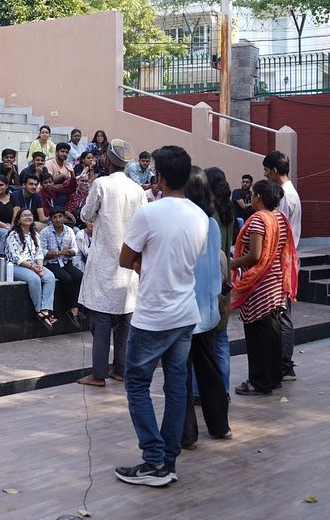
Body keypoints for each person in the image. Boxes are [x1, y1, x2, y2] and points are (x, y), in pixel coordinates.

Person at [115, 145, 208, 488]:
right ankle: (167, 461)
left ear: (162, 177)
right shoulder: (201, 217)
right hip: (185, 314)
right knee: (176, 388)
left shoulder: (149, 213)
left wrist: (146, 267)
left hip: (153, 316)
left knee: (136, 384)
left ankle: (154, 460)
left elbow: (126, 259)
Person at [77, 139, 147, 388]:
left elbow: (85, 215)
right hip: (130, 262)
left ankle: (98, 373)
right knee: (126, 317)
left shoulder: (101, 184)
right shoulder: (138, 190)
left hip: (105, 260)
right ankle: (120, 369)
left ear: (107, 158)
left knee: (102, 318)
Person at [229, 179, 298, 397]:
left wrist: (230, 263)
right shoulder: (279, 217)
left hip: (260, 285)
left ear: (257, 197)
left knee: (258, 335)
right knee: (272, 332)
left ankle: (259, 382)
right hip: (276, 281)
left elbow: (255, 256)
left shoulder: (259, 220)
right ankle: (274, 377)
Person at [180, 167, 231, 449]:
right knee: (208, 370)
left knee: (182, 373)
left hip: (186, 309)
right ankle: (219, 425)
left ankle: (187, 434)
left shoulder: (186, 223)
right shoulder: (210, 223)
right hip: (208, 308)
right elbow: (214, 266)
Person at [262, 150, 300, 382]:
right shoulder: (290, 192)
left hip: (282, 261)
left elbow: (279, 230)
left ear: (275, 171)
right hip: (286, 259)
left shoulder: (283, 196)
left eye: (266, 170)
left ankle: (285, 364)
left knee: (281, 313)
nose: (265, 175)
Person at [203, 167, 236, 396]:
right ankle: (223, 389)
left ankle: (200, 390)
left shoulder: (210, 215)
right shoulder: (229, 212)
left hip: (212, 279)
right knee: (222, 340)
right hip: (226, 277)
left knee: (205, 343)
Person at [7, 209, 58, 329]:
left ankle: (45, 310)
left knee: (50, 277)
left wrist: (39, 266)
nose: (28, 217)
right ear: (19, 220)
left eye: (30, 215)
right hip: (16, 266)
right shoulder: (12, 235)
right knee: (35, 279)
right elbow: (17, 257)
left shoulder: (34, 234)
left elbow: (39, 253)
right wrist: (33, 268)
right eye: (25, 216)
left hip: (34, 264)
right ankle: (38, 310)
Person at [41, 207, 84, 327]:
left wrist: (71, 252)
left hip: (66, 261)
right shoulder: (45, 232)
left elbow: (75, 248)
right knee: (67, 279)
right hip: (51, 263)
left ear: (64, 217)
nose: (58, 220)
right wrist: (58, 252)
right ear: (51, 219)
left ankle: (76, 307)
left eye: (60, 216)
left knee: (80, 277)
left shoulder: (69, 230)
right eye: (54, 217)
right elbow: (42, 252)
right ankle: (72, 309)